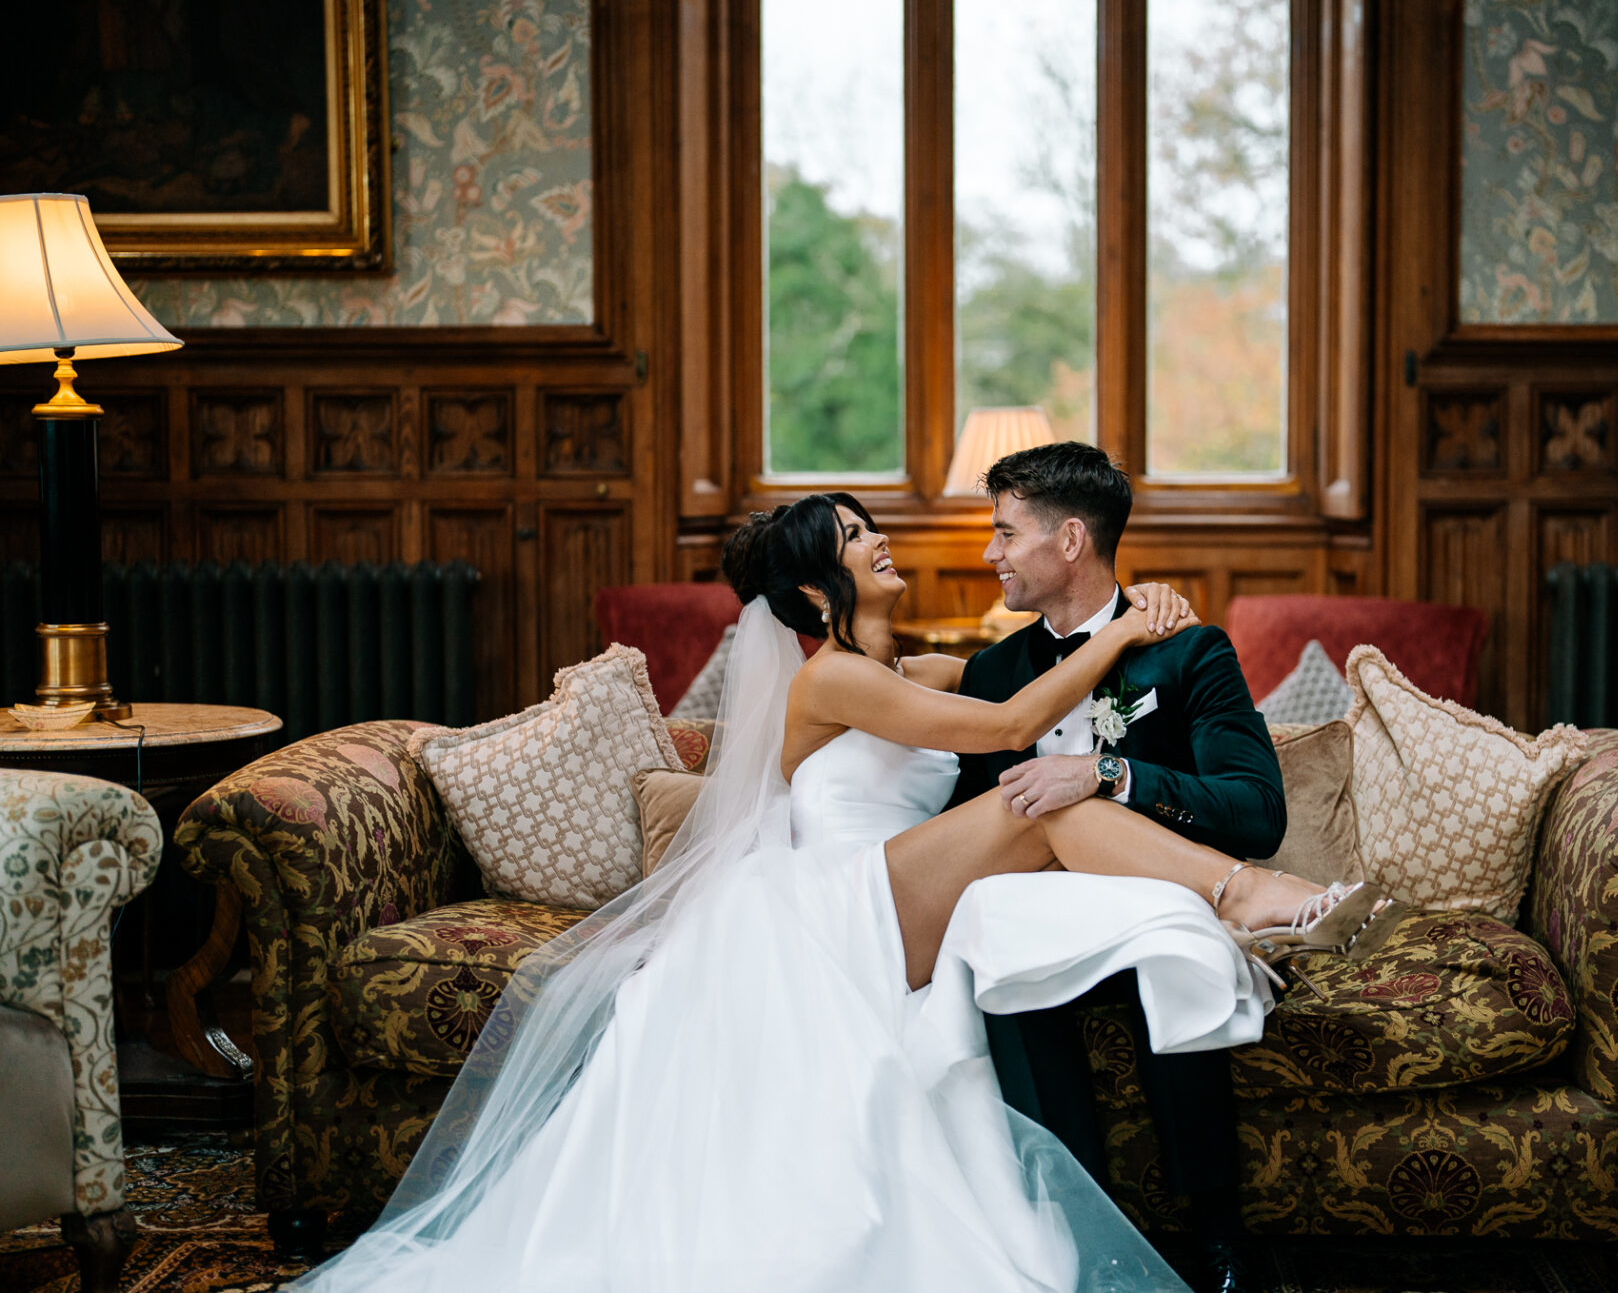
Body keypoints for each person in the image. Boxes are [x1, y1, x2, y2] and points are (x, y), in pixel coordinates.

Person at [288, 490, 1388, 1293]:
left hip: (892, 892)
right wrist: (1114, 647)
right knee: (1036, 796)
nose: (886, 541)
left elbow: (1019, 678)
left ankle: (1243, 897)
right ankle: (1251, 896)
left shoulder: (908, 673)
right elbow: (1011, 729)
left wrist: (1135, 616)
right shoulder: (835, 676)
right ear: (820, 586)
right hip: (837, 898)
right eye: (862, 537)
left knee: (1055, 797)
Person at [948, 443, 1382, 1293]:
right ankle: (1080, 1233)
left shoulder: (1187, 652)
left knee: (1167, 942)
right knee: (1002, 959)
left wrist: (1115, 775)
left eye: (1005, 534)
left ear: (1070, 540)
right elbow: (973, 827)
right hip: (1040, 911)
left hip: (1155, 901)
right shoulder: (992, 674)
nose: (989, 554)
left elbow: (1257, 812)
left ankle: (1219, 1239)